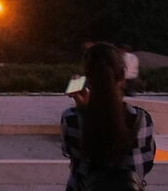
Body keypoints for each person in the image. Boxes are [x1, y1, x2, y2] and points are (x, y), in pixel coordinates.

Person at [60, 43, 154, 191]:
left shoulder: (71, 119)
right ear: (122, 76)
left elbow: (71, 153)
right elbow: (145, 165)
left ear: (87, 79)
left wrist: (82, 108)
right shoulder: (141, 119)